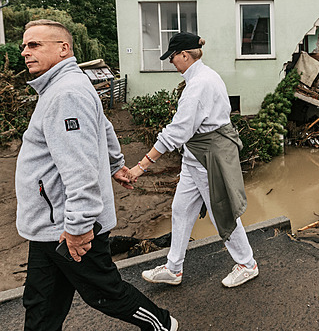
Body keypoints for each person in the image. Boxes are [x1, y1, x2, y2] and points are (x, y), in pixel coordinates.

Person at [16, 20, 177, 330]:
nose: (25, 52)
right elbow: (104, 125)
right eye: (24, 45)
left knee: (105, 293)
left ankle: (162, 324)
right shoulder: (67, 86)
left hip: (67, 224)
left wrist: (78, 226)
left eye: (34, 45)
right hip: (48, 225)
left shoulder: (66, 94)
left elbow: (80, 168)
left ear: (63, 48)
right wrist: (117, 163)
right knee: (41, 303)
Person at [128, 32, 258, 288]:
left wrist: (142, 166)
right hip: (195, 157)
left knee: (222, 211)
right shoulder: (205, 76)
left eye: (173, 57)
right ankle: (174, 268)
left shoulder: (199, 85)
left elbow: (178, 131)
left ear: (185, 55)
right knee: (181, 209)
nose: (171, 62)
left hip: (208, 157)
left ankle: (247, 264)